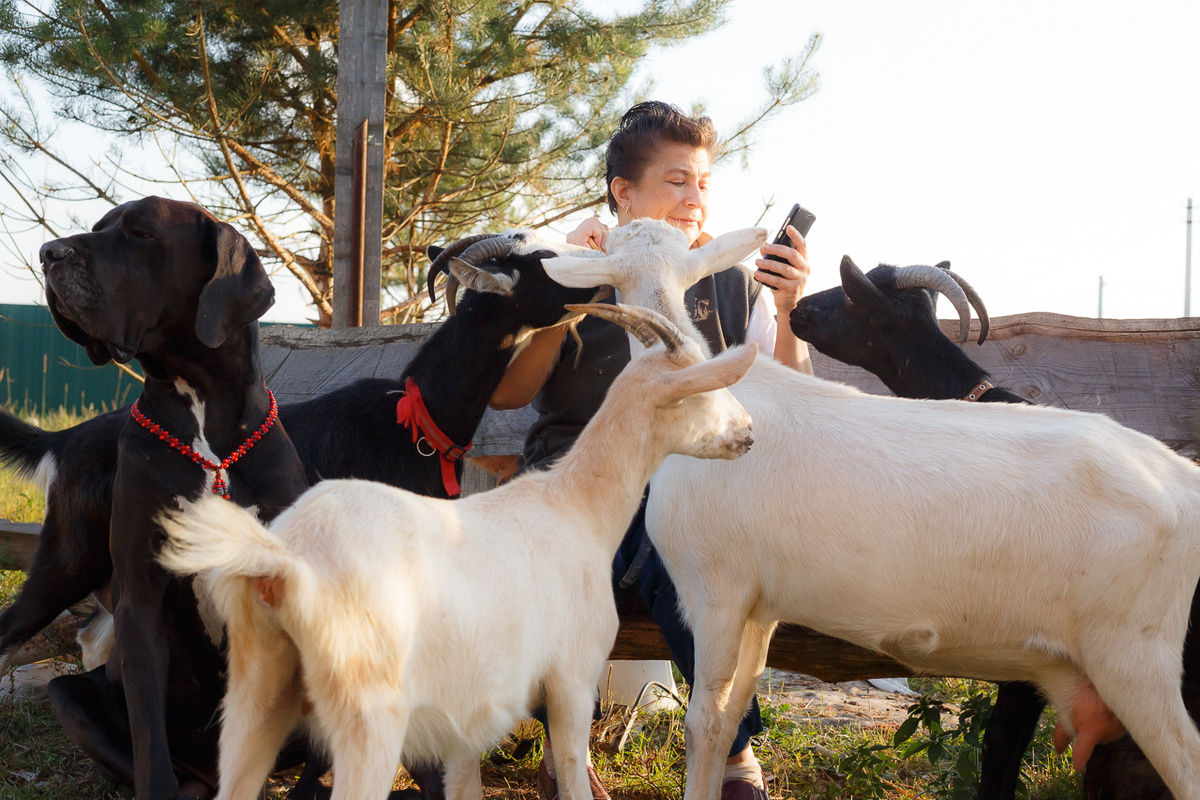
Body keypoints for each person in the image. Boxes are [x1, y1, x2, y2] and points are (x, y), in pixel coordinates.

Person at [490, 101, 813, 800]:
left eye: (702, 184)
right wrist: (557, 291)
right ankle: (564, 754)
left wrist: (787, 312)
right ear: (622, 192)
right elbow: (510, 394)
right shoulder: (576, 265)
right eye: (677, 182)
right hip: (576, 481)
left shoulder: (729, 278)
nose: (695, 201)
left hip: (689, 484)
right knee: (559, 567)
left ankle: (730, 752)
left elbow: (791, 395)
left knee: (696, 556)